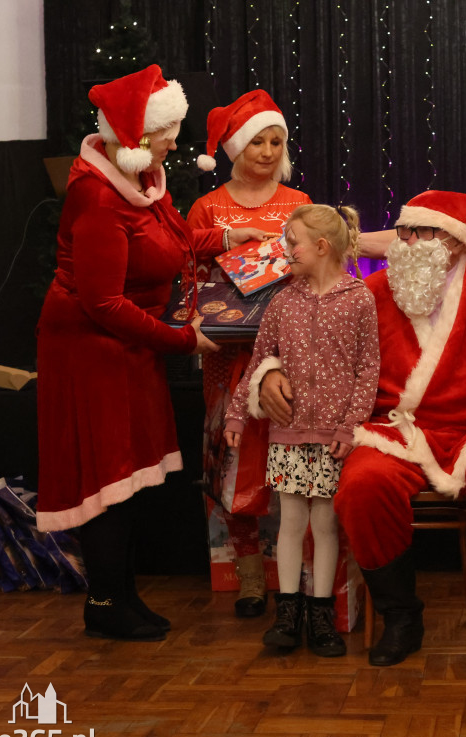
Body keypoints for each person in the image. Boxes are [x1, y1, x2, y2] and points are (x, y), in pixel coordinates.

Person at [262, 190, 466, 674]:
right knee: (361, 485)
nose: (408, 242)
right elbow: (306, 340)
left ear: (455, 242)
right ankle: (401, 617)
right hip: (392, 430)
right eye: (403, 232)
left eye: (422, 232)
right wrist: (271, 370)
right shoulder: (369, 295)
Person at [36, 65, 221, 641]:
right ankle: (106, 601)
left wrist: (226, 241)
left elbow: (173, 241)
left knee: (133, 476)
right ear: (138, 138)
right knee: (109, 478)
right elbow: (102, 304)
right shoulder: (97, 198)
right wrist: (185, 340)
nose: (175, 142)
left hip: (129, 348)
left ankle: (122, 593)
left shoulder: (143, 182)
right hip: (91, 354)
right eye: (168, 132)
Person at [223, 203, 378, 656]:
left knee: (325, 525)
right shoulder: (281, 301)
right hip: (288, 433)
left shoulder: (358, 299)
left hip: (333, 437)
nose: (284, 250)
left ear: (322, 247)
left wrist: (349, 428)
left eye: (292, 242)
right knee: (291, 523)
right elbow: (258, 363)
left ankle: (321, 615)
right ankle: (287, 613)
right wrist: (237, 414)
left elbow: (369, 369)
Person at [189, 90, 312, 619]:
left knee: (288, 452)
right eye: (257, 141)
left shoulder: (299, 200)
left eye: (276, 141)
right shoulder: (207, 207)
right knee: (232, 457)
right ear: (236, 147)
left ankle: (298, 569)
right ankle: (248, 575)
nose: (266, 151)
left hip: (287, 356)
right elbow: (186, 270)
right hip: (225, 356)